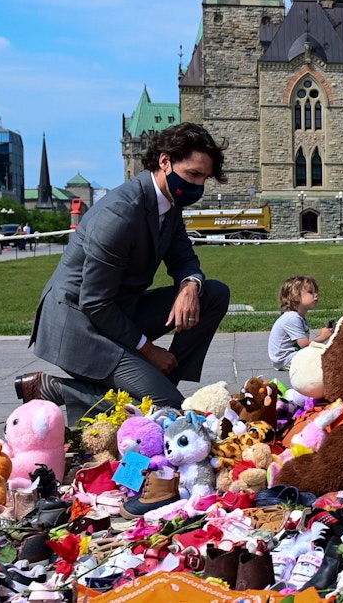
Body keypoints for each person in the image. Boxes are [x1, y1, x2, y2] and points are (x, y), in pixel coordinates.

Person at [16, 123, 231, 419]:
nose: (198, 186)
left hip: (120, 311)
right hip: (81, 327)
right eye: (193, 174)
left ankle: (157, 386)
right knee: (169, 411)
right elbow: (94, 301)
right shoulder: (120, 212)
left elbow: (184, 258)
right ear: (165, 161)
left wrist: (190, 286)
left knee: (213, 293)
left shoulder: (168, 203)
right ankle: (58, 389)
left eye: (204, 178)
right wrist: (149, 350)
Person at [268, 276, 331, 370]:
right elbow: (304, 344)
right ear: (295, 296)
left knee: (323, 353)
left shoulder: (299, 317)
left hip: (291, 356)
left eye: (315, 292)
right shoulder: (292, 318)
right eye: (310, 292)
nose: (316, 295)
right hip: (286, 359)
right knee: (323, 357)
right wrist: (322, 337)